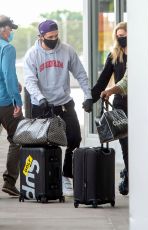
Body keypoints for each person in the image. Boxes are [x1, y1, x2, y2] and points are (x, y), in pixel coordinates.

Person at [23, 19, 93, 196]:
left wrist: (88, 96)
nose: (54, 39)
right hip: (42, 106)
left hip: (64, 103)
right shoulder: (32, 55)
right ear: (41, 36)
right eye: (50, 37)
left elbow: (81, 74)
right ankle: (46, 180)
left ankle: (65, 176)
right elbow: (30, 82)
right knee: (46, 144)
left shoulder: (67, 50)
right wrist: (40, 98)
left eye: (56, 36)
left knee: (75, 138)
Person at [91, 22, 128, 195]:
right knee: (126, 143)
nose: (122, 38)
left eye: (124, 35)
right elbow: (103, 80)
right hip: (121, 104)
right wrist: (91, 98)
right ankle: (130, 176)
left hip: (140, 104)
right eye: (119, 35)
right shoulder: (114, 56)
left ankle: (131, 173)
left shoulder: (139, 53)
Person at [0, 15, 23, 196]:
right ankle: (9, 181)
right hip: (5, 102)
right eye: (10, 29)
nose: (11, 32)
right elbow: (8, 76)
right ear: (2, 29)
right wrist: (18, 101)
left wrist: (16, 84)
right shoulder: (7, 48)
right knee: (18, 138)